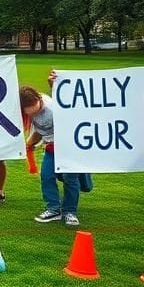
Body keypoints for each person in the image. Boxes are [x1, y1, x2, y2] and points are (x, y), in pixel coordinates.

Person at [22, 84, 88, 227]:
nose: (32, 114)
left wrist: (53, 83)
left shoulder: (53, 108)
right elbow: (41, 130)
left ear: (39, 99)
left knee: (70, 178)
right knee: (46, 176)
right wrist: (28, 144)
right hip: (51, 148)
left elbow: (66, 100)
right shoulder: (29, 111)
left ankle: (70, 212)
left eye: (34, 107)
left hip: (69, 147)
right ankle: (53, 209)